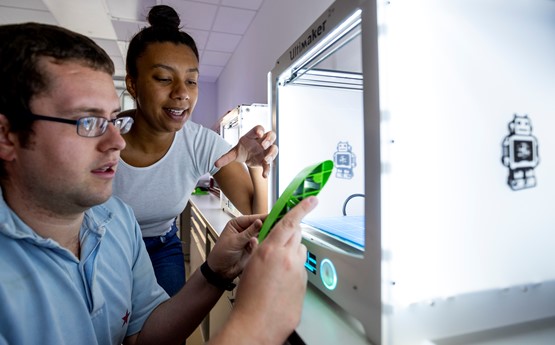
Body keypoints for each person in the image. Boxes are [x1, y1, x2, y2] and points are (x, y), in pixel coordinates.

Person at [0, 22, 316, 345]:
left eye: (112, 119)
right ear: (6, 135)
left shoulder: (117, 220)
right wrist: (256, 327)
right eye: (89, 121)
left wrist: (215, 273)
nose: (116, 141)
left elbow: (143, 335)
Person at [113, 4, 277, 296]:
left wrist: (255, 167)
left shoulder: (200, 142)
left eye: (191, 80)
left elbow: (255, 217)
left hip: (160, 249)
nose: (182, 93)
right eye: (164, 78)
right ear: (133, 84)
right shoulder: (102, 139)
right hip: (102, 244)